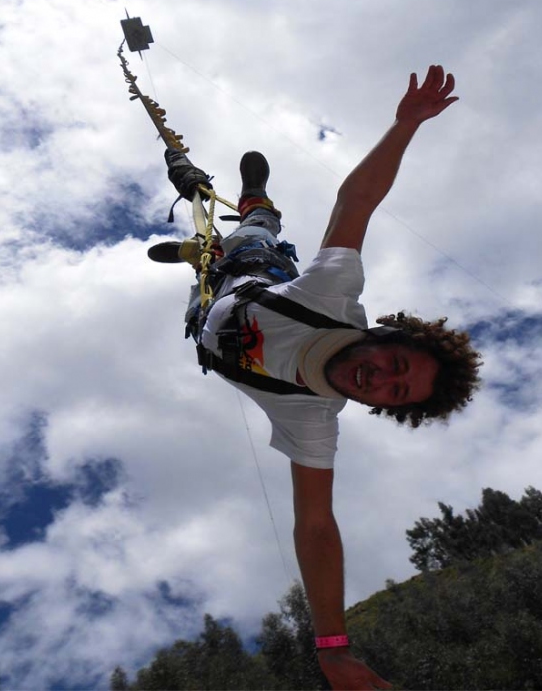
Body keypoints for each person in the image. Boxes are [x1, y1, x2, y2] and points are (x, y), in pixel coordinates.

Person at [149, 65, 481, 691]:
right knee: (251, 238)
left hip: (207, 321)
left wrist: (333, 647)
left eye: (396, 391)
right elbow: (356, 202)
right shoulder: (332, 295)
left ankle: (199, 258)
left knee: (205, 285)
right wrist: (404, 126)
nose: (382, 378)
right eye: (398, 364)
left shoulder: (313, 420)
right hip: (258, 274)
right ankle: (256, 201)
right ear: (386, 337)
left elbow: (317, 527)